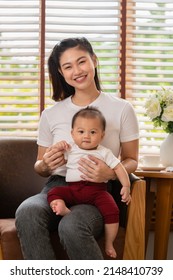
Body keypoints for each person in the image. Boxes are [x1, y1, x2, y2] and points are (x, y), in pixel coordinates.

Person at [15, 37, 139, 260]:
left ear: (94, 60)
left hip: (97, 189)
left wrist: (110, 173)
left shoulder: (122, 108)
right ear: (62, 73)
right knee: (27, 211)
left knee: (71, 225)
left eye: (81, 62)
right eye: (68, 66)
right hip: (58, 186)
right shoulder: (50, 114)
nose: (77, 71)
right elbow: (40, 166)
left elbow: (131, 159)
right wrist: (45, 164)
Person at [47, 106, 131, 258]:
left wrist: (126, 185)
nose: (86, 136)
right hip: (73, 190)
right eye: (81, 132)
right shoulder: (70, 148)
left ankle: (109, 243)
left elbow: (119, 167)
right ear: (72, 133)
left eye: (93, 132)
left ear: (102, 135)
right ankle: (62, 207)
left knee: (112, 210)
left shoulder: (104, 152)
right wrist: (57, 146)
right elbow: (51, 156)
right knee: (53, 192)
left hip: (97, 191)